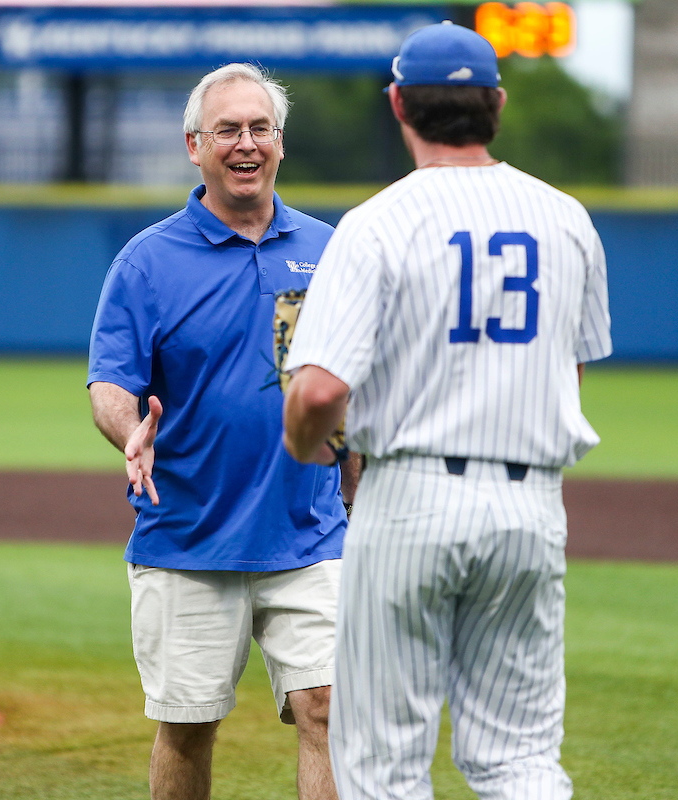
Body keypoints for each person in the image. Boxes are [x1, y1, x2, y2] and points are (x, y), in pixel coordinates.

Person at [282, 22, 612, 800]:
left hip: (410, 500)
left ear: (399, 104)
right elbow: (570, 371)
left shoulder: (376, 222)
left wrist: (305, 445)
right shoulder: (566, 218)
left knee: (386, 767)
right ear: (496, 103)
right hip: (530, 505)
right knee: (519, 759)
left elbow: (321, 389)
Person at [87, 63, 352, 800]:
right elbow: (110, 381)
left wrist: (358, 486)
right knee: (188, 726)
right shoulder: (146, 261)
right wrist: (131, 429)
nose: (246, 143)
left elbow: (354, 389)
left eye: (260, 129)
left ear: (280, 144)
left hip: (309, 534)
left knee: (328, 709)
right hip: (187, 535)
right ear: (193, 146)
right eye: (227, 130)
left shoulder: (331, 252)